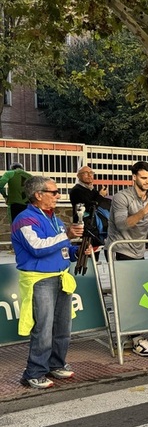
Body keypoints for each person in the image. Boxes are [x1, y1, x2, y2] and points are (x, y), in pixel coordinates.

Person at [13, 177, 87, 388]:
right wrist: (66, 235)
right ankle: (33, 372)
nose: (58, 196)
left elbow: (61, 249)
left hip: (60, 276)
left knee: (63, 326)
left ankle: (56, 364)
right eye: (54, 192)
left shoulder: (54, 218)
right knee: (44, 328)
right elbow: (37, 247)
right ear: (38, 195)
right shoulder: (25, 219)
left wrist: (78, 252)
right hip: (40, 280)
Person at [107, 161, 148, 357]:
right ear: (134, 177)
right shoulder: (121, 197)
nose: (147, 182)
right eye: (144, 178)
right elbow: (121, 225)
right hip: (119, 249)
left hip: (139, 251)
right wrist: (145, 210)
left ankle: (129, 335)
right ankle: (136, 338)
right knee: (129, 295)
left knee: (136, 295)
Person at [69, 165, 111, 248]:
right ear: (78, 176)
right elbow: (89, 207)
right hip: (86, 229)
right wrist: (101, 196)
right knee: (86, 256)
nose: (89, 175)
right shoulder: (76, 190)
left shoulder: (92, 189)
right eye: (86, 173)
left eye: (91, 173)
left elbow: (98, 203)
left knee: (96, 255)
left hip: (96, 229)